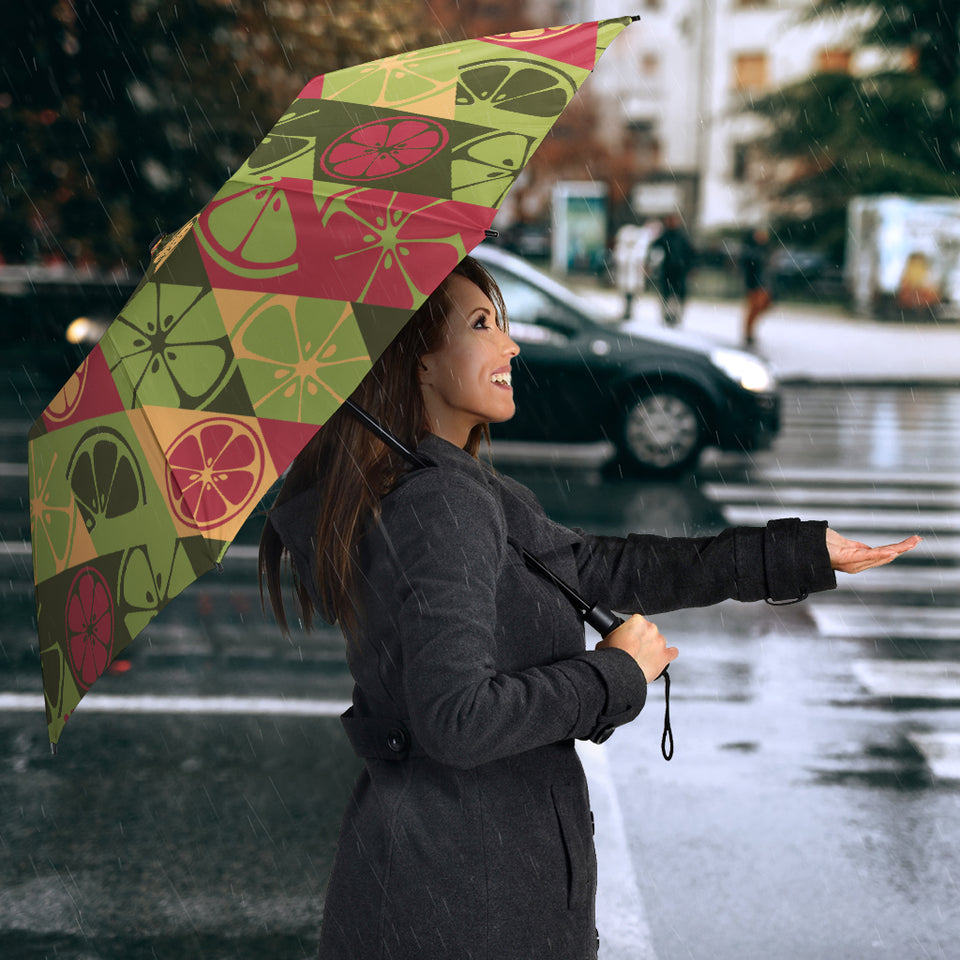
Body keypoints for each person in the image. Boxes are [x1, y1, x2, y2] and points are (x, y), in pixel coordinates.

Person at [259, 256, 919, 960]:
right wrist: (613, 673)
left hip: (454, 884)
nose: (510, 345)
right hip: (466, 903)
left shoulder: (451, 489)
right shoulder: (439, 504)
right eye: (482, 325)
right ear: (417, 363)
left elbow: (603, 567)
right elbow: (456, 719)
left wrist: (796, 554)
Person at [648, 213, 695, 327]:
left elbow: (690, 253)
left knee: (677, 295)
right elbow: (654, 249)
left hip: (679, 271)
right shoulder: (665, 236)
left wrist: (690, 267)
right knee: (667, 294)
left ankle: (675, 316)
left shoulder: (681, 237)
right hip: (668, 270)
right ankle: (667, 315)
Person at [741, 226, 773, 347]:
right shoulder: (751, 250)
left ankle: (750, 331)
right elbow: (750, 265)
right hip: (755, 284)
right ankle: (748, 333)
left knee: (762, 306)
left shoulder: (763, 249)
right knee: (754, 308)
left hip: (763, 283)